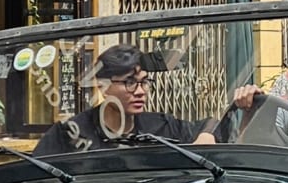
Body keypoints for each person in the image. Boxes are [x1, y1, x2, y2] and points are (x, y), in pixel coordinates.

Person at [37, 44, 200, 154]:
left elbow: (216, 126)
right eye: (130, 82)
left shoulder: (162, 126)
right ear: (103, 87)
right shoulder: (69, 133)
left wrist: (206, 134)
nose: (140, 91)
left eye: (144, 82)